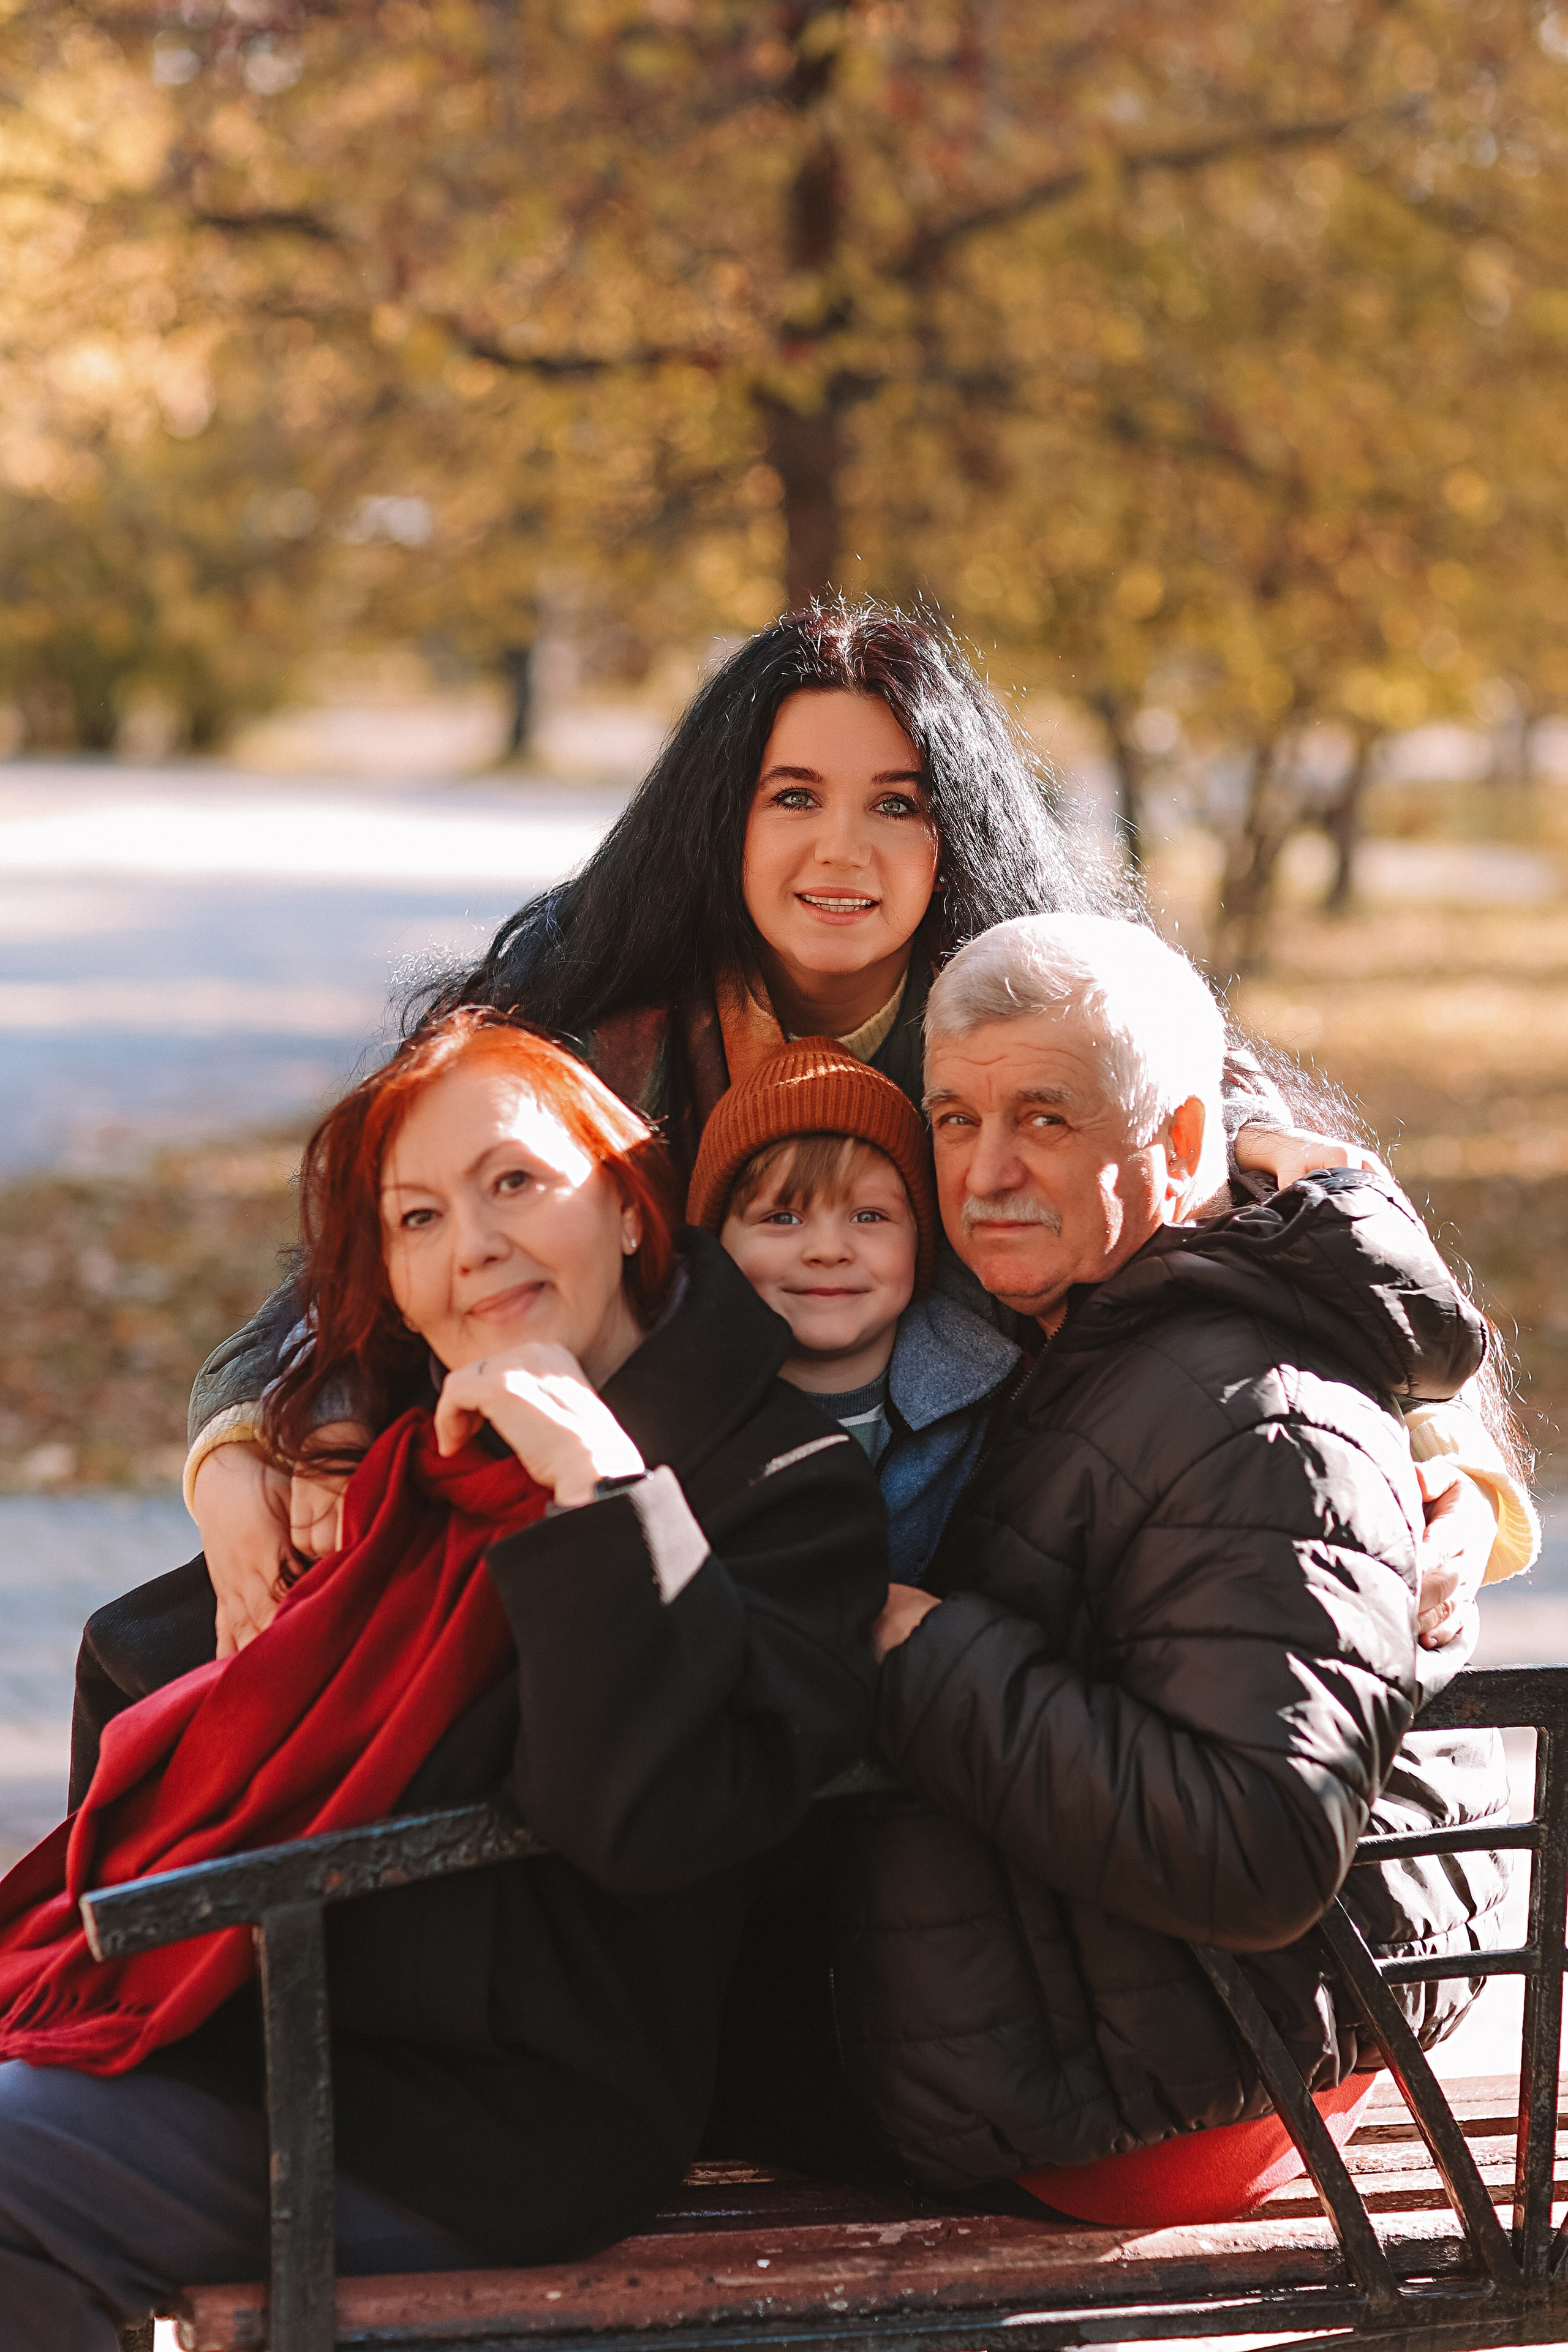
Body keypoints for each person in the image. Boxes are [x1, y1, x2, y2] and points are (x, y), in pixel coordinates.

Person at [156, 605, 1529, 1661]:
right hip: (645, 1551)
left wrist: (1444, 1456)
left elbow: (1302, 1198)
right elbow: (361, 1260)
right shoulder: (601, 1031)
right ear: (724, 818)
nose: (842, 852)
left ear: (952, 833)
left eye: (897, 804)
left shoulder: (1029, 1009)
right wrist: (236, 1450)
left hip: (977, 1564)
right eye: (794, 796)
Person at [0, 1009, 884, 2345]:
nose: (468, 1245)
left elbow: (652, 1825)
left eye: (514, 1183)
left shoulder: (786, 1490)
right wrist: (248, 1470)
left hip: (493, 2117)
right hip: (256, 2023)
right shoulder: (404, 1453)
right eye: (416, 1219)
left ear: (632, 1211)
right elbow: (158, 1672)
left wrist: (596, 1489)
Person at [829, 913, 1514, 2225]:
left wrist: (920, 1653)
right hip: (1126, 2021)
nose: (981, 1173)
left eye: (1044, 1118)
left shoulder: (1255, 1414)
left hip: (1186, 2093)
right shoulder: (1095, 1325)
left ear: (1184, 1147)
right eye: (955, 1120)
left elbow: (1253, 1847)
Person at [687, 1038, 1019, 1581]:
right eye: (782, 1218)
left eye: (868, 1217)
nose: (827, 1250)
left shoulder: (994, 1401)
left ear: (920, 1239)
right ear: (717, 1243)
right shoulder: (672, 1413)